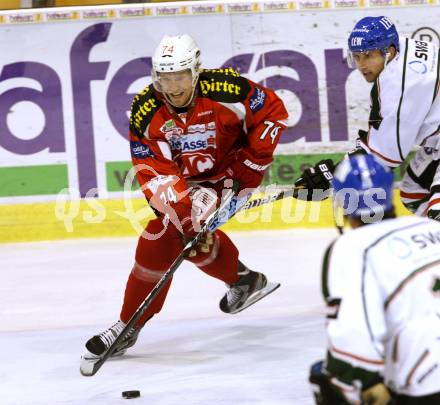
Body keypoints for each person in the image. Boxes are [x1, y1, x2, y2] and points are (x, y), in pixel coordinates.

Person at [80, 34, 288, 371]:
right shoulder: (145, 109)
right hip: (185, 182)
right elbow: (154, 168)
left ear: (196, 71)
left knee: (164, 235)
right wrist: (181, 212)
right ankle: (243, 280)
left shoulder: (227, 89)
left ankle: (129, 324)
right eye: (166, 78)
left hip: (230, 174)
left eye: (180, 76)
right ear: (155, 78)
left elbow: (273, 111)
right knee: (183, 235)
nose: (174, 86)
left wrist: (251, 163)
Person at [309, 154, 440, 405]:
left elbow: (351, 340)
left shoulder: (351, 246)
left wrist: (364, 385)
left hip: (425, 387)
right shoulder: (433, 228)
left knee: (329, 378)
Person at [296, 16, 440, 219]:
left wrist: (335, 174)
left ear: (388, 52)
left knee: (437, 212)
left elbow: (385, 157)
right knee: (413, 192)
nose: (362, 65)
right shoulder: (404, 48)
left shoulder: (399, 86)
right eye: (357, 57)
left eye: (368, 56)